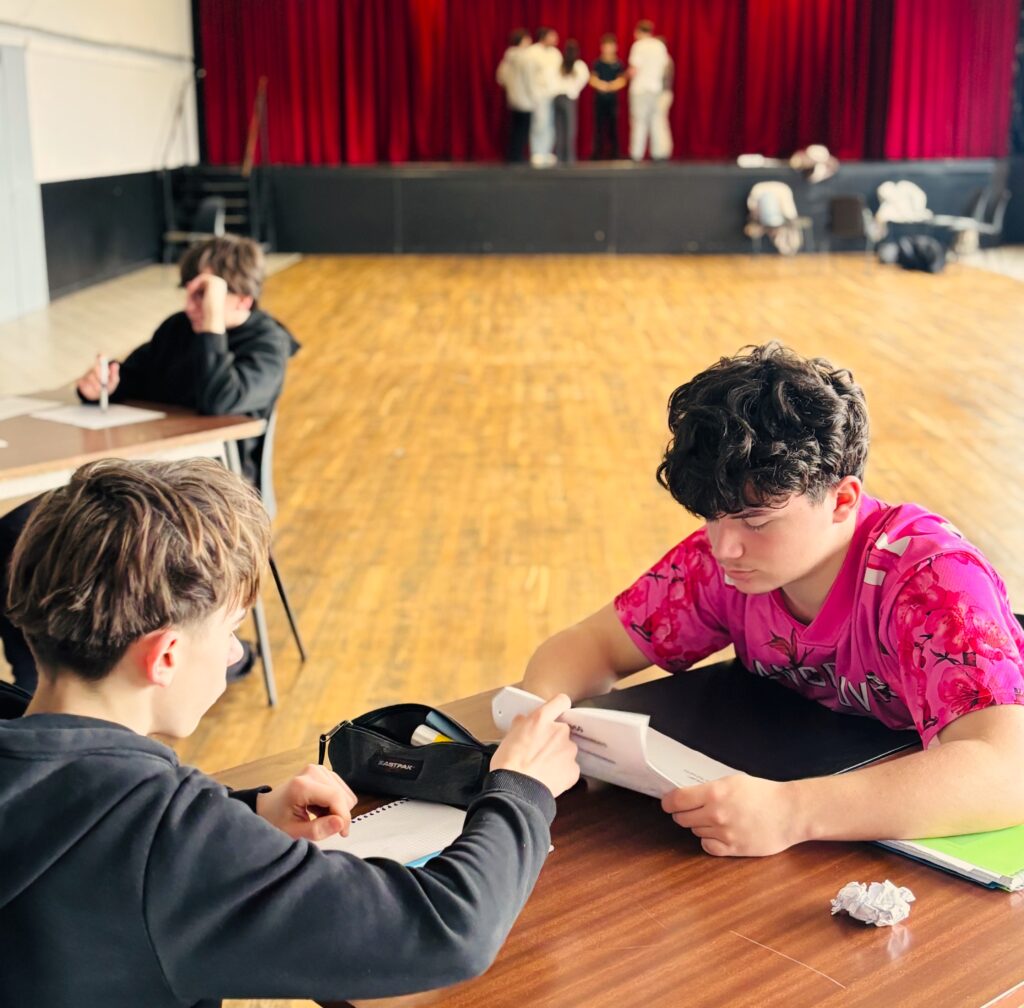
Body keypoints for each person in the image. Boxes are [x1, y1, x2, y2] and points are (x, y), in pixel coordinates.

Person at [0, 457, 580, 1007]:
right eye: (230, 631)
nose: (234, 653)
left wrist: (244, 816)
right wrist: (520, 788)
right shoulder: (167, 839)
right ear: (166, 656)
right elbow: (448, 930)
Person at [521, 343, 1024, 857]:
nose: (725, 547)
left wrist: (791, 812)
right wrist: (535, 719)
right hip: (825, 771)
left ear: (842, 500)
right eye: (712, 518)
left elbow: (1007, 768)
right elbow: (596, 643)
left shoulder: (933, 579)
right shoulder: (722, 563)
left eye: (756, 522)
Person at [0, 234, 299, 694]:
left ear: (242, 299)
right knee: (17, 532)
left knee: (101, 550)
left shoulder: (266, 342)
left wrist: (212, 328)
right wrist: (99, 386)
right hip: (147, 479)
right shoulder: (178, 330)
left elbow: (220, 398)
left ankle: (212, 658)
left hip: (211, 500)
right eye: (189, 293)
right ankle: (32, 677)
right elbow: (134, 380)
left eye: (203, 295)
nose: (190, 305)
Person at [626, 20, 669, 162]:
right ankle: (658, 153)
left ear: (639, 32)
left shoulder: (638, 46)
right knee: (656, 120)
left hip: (640, 89)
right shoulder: (660, 46)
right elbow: (665, 67)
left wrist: (625, 76)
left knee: (639, 121)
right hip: (656, 88)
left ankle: (636, 154)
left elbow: (634, 69)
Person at [524, 26, 562, 167]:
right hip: (538, 93)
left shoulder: (555, 53)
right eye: (552, 36)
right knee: (539, 123)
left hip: (553, 94)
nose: (555, 39)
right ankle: (537, 152)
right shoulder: (532, 52)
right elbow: (528, 74)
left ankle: (547, 151)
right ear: (544, 37)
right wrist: (531, 92)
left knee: (550, 124)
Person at [496, 28, 533, 163]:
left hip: (512, 97)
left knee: (515, 127)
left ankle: (513, 154)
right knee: (523, 128)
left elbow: (500, 77)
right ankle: (518, 155)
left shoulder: (508, 57)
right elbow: (529, 79)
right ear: (522, 41)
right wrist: (533, 93)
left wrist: (511, 87)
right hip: (525, 98)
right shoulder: (524, 58)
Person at [552, 39, 590, 164]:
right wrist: (574, 91)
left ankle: (559, 157)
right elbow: (583, 79)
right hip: (569, 98)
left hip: (557, 97)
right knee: (569, 129)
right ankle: (569, 158)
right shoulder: (579, 65)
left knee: (558, 129)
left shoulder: (560, 64)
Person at [590, 34, 627, 160]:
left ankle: (614, 152)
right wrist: (601, 85)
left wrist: (612, 86)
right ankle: (597, 153)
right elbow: (592, 78)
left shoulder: (618, 63)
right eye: (606, 46)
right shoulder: (598, 63)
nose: (608, 49)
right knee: (598, 127)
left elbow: (622, 80)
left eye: (611, 46)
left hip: (612, 100)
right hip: (600, 99)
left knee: (613, 127)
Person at [651, 37, 675, 161]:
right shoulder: (664, 59)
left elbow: (663, 78)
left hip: (662, 94)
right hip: (662, 94)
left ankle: (663, 150)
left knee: (660, 122)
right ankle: (660, 150)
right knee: (659, 122)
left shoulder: (665, 60)